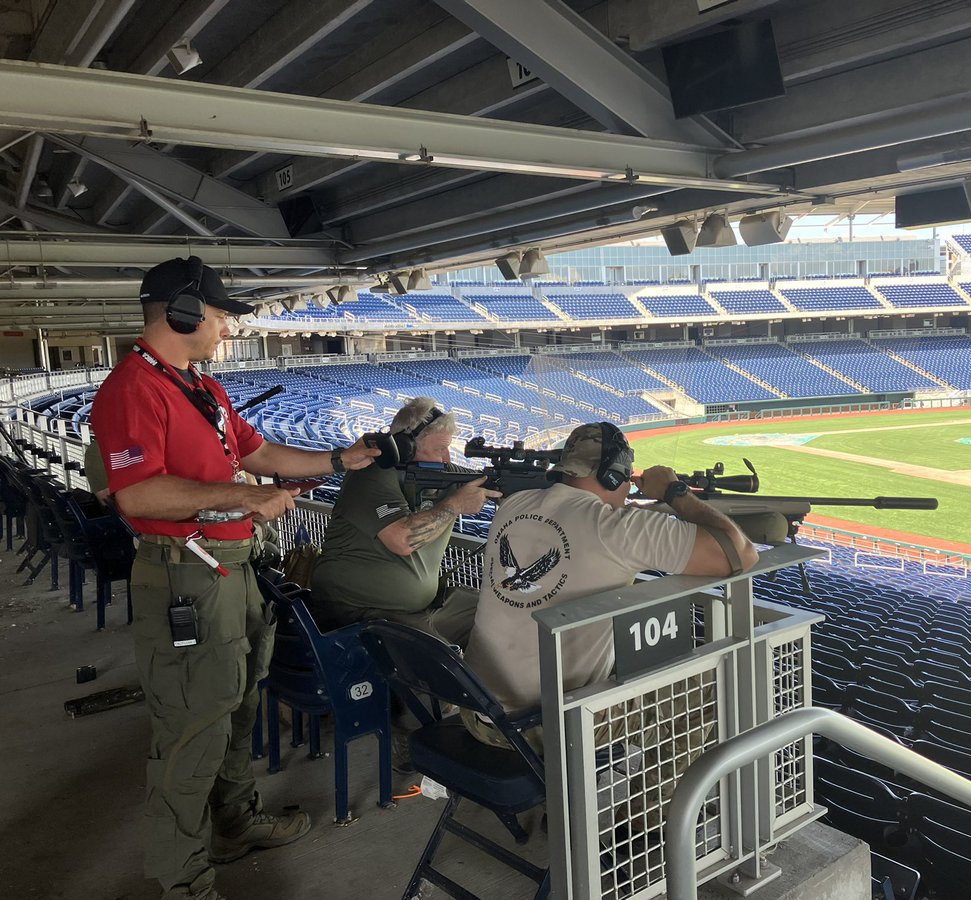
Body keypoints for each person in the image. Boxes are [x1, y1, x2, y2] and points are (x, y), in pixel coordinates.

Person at [89, 256, 379, 900]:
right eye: (220, 315)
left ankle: (233, 825)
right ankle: (183, 881)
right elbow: (137, 495)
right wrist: (246, 499)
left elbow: (259, 452)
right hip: (185, 580)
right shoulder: (132, 389)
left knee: (239, 705)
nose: (226, 328)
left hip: (232, 572)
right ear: (184, 312)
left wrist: (339, 458)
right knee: (191, 730)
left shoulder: (201, 387)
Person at [464, 421, 759, 746]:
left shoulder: (514, 505)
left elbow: (580, 529)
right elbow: (741, 554)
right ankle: (668, 799)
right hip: (544, 727)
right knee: (709, 692)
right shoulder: (617, 529)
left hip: (479, 709)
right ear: (613, 475)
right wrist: (675, 492)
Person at [310, 397, 500, 646]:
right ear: (406, 447)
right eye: (439, 449)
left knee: (501, 616)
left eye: (448, 449)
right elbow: (403, 539)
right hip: (359, 611)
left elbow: (494, 486)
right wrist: (455, 505)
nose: (446, 459)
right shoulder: (369, 475)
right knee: (446, 670)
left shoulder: (441, 472)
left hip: (422, 607)